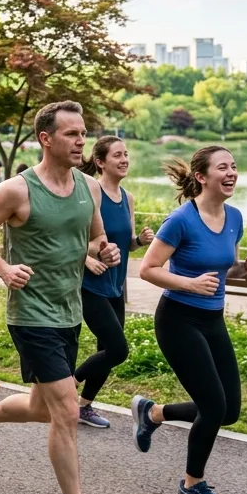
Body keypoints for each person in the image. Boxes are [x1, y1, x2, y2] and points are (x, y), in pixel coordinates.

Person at [0, 101, 125, 494]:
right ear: (46, 140)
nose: (80, 142)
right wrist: (3, 269)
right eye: (71, 134)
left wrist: (103, 252)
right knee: (67, 411)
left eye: (83, 133)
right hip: (30, 315)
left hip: (70, 311)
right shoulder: (16, 190)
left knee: (44, 407)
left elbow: (94, 238)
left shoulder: (89, 187)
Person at [131, 145, 247, 494]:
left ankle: (153, 413)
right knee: (213, 406)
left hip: (212, 319)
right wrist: (188, 285)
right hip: (178, 319)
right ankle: (191, 486)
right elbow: (148, 269)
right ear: (203, 177)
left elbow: (225, 272)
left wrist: (245, 269)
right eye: (223, 167)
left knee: (230, 409)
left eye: (234, 166)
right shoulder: (181, 220)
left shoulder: (235, 217)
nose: (232, 172)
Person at [73, 137, 156, 428]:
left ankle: (83, 407)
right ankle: (67, 385)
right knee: (118, 350)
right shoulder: (93, 191)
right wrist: (86, 258)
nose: (124, 160)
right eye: (117, 155)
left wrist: (139, 241)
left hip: (116, 286)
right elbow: (74, 235)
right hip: (90, 284)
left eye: (126, 155)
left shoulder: (128, 197)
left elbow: (126, 244)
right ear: (100, 162)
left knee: (105, 351)